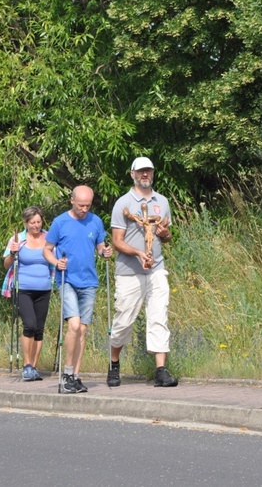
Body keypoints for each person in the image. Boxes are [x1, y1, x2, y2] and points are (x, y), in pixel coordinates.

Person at [107, 157, 178, 387]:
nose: (145, 175)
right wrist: (138, 253)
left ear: (153, 173)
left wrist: (164, 233)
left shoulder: (162, 202)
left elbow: (166, 237)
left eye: (148, 171)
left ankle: (160, 370)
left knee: (159, 317)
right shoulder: (123, 204)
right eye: (141, 171)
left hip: (156, 268)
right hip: (129, 272)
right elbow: (117, 241)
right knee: (124, 321)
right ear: (132, 174)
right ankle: (114, 363)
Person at [43, 186, 112, 394]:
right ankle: (66, 373)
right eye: (81, 205)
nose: (84, 209)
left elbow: (100, 246)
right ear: (72, 201)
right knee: (73, 325)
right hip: (67, 280)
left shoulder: (96, 221)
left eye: (88, 205)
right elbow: (46, 250)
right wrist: (56, 262)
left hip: (89, 281)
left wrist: (105, 251)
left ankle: (75, 376)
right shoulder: (60, 222)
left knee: (82, 330)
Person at [2, 206, 53, 382]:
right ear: (25, 223)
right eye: (32, 223)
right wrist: (12, 251)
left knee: (39, 329)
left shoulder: (49, 238)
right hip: (22, 288)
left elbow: (56, 259)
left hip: (44, 288)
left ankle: (34, 367)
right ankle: (27, 365)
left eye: (39, 222)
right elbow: (6, 264)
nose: (36, 225)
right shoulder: (18, 239)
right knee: (29, 325)